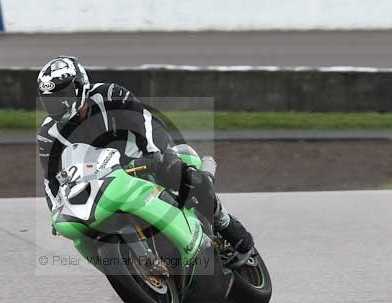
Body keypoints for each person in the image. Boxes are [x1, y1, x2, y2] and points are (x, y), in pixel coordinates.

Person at [36, 55, 255, 266]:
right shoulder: (48, 134)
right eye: (49, 100)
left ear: (80, 87)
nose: (57, 105)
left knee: (188, 178)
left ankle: (230, 230)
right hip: (100, 176)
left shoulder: (110, 94)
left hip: (143, 152)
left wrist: (159, 155)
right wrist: (56, 208)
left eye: (61, 96)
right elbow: (50, 180)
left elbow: (144, 122)